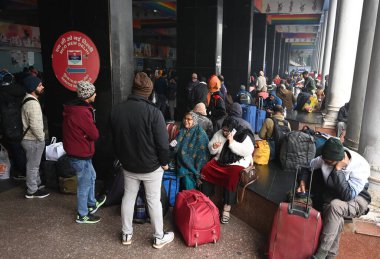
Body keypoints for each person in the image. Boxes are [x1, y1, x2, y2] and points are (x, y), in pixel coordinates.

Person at [110, 72, 174, 248]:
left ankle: (126, 234)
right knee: (153, 200)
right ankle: (158, 236)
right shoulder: (155, 113)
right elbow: (163, 145)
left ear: (133, 89)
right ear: (150, 91)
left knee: (128, 197)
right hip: (151, 167)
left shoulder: (117, 110)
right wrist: (164, 162)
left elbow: (114, 140)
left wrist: (122, 159)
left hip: (128, 165)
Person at [310, 138, 371, 259]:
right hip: (334, 199)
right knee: (335, 214)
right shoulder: (325, 159)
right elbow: (310, 164)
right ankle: (330, 255)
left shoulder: (361, 165)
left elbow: (348, 195)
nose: (323, 162)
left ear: (336, 161)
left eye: (327, 161)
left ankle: (321, 253)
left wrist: (338, 171)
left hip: (358, 200)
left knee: (334, 206)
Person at [63, 81, 106, 223]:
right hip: (80, 153)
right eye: (94, 92)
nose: (96, 94)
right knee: (84, 183)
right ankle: (82, 215)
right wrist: (88, 135)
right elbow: (94, 134)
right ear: (88, 96)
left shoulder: (74, 108)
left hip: (79, 151)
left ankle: (91, 203)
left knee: (91, 176)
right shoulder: (82, 112)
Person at [201, 117, 255, 224]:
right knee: (206, 170)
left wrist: (232, 142)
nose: (225, 133)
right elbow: (211, 148)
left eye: (227, 131)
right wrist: (214, 147)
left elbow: (247, 151)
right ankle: (205, 198)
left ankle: (227, 207)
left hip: (237, 162)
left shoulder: (243, 135)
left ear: (233, 129)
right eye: (224, 130)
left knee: (233, 177)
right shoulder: (219, 133)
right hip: (221, 160)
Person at [21, 76, 49, 198]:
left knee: (33, 164)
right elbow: (35, 125)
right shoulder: (33, 103)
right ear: (33, 88)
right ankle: (32, 190)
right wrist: (42, 138)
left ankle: (36, 183)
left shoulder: (27, 99)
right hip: (33, 140)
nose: (42, 87)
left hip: (28, 139)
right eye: (39, 85)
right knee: (33, 166)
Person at [170, 112, 209, 190]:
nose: (186, 121)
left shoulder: (200, 133)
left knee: (187, 181)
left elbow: (201, 153)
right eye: (185, 118)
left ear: (194, 120)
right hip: (179, 161)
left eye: (189, 119)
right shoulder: (182, 130)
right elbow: (176, 144)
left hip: (192, 165)